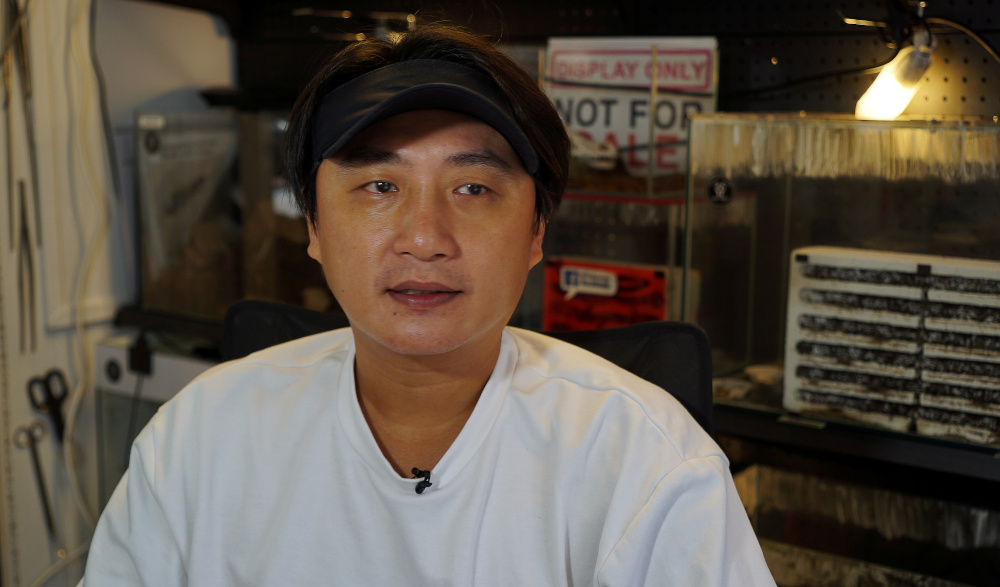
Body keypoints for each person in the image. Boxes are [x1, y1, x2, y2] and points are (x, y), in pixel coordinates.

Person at [81, 24, 776, 586]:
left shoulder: (649, 465)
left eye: (473, 188)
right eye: (380, 185)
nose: (424, 238)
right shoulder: (199, 439)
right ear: (313, 225)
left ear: (536, 231)